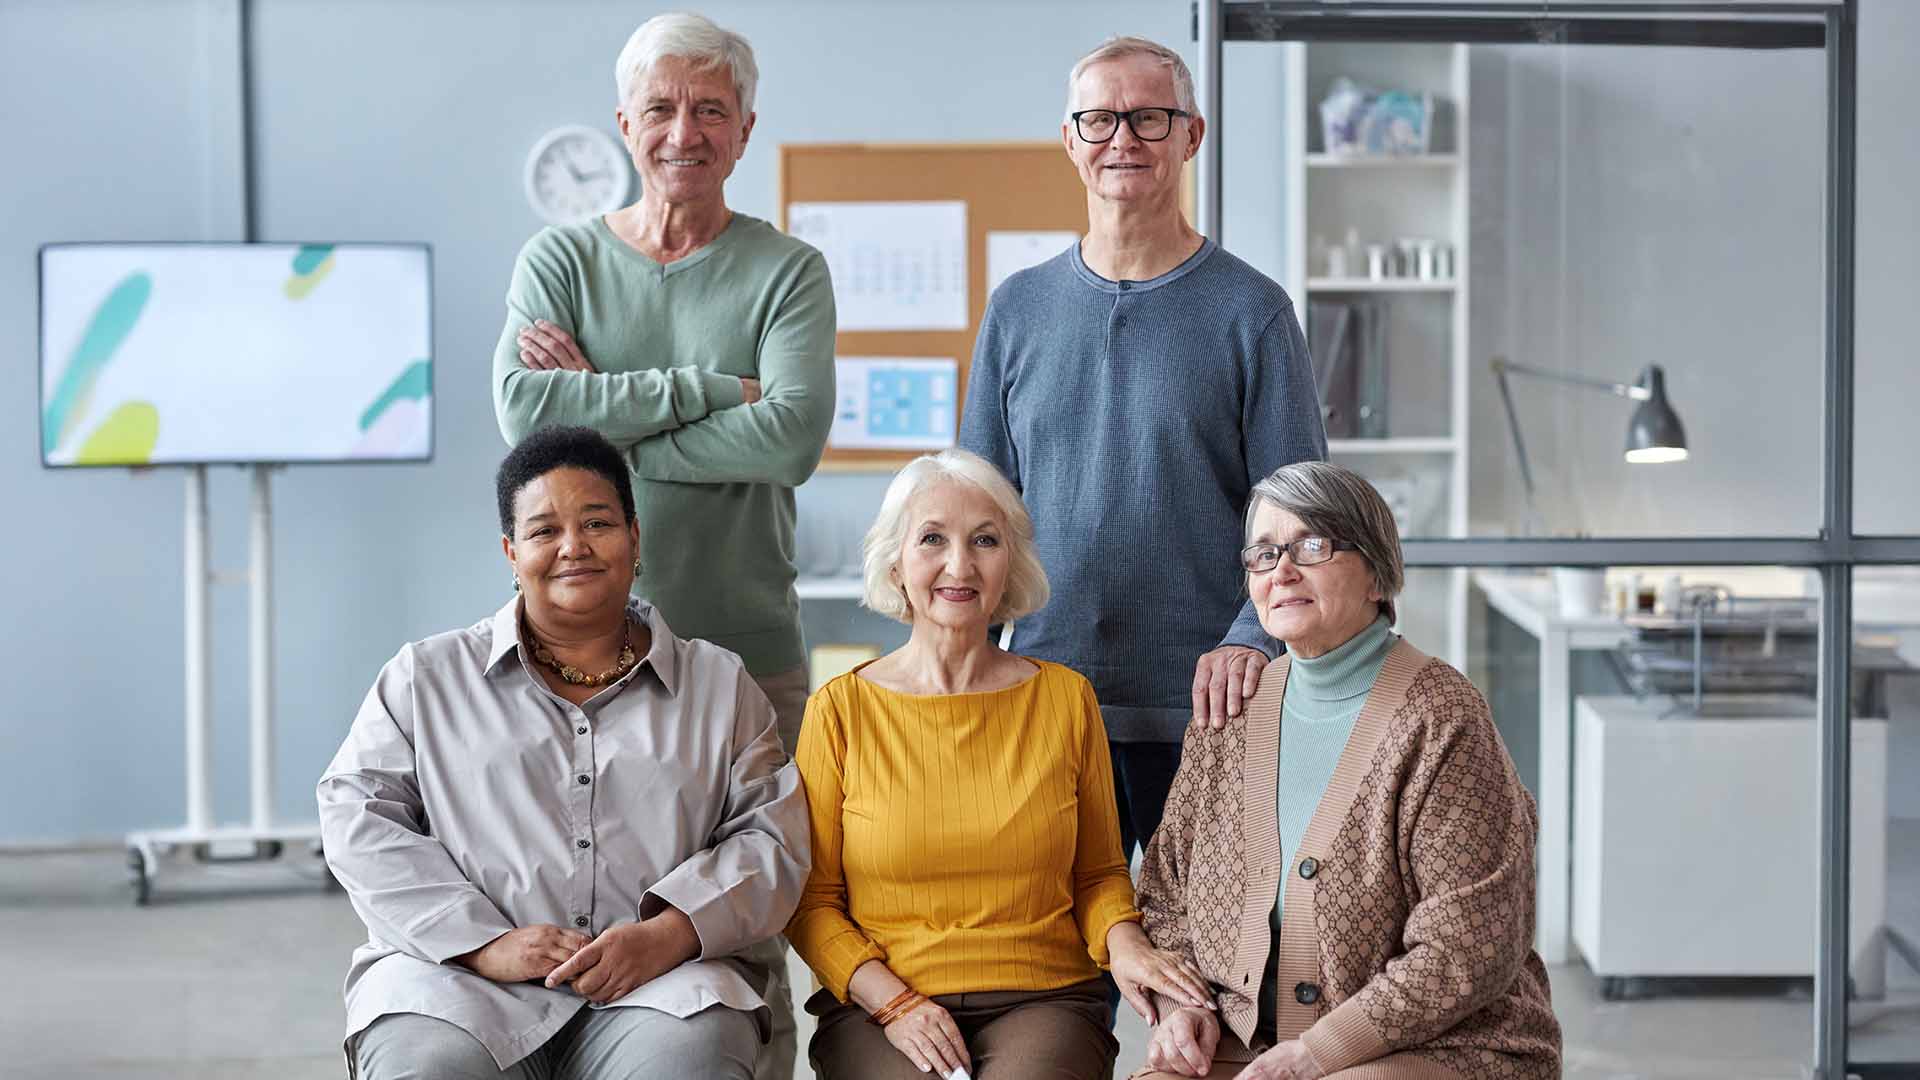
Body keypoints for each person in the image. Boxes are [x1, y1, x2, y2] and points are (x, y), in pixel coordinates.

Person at [490, 15, 834, 1074]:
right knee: (566, 908)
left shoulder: (788, 270)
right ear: (625, 125)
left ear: (745, 131)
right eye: (662, 108)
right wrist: (698, 392)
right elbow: (527, 426)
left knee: (746, 920)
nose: (685, 131)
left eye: (711, 110)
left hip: (741, 646)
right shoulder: (559, 257)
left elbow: (788, 439)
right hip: (570, 656)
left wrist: (602, 417)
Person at [318, 425, 809, 1080]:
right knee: (426, 1067)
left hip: (661, 984)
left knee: (687, 1062)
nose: (573, 547)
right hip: (457, 985)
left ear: (635, 538)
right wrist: (483, 944)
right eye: (545, 530)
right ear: (511, 551)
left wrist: (671, 934)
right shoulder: (424, 678)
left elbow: (772, 839)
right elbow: (358, 819)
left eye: (597, 523)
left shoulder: (718, 685)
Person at [958, 35, 1327, 872]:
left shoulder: (1253, 313)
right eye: (1099, 119)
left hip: (1210, 709)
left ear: (1191, 135)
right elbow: (975, 510)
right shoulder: (1018, 309)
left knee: (1210, 971)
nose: (1122, 138)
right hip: (1046, 702)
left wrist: (1249, 640)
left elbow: (1301, 520)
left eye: (1149, 118)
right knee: (1056, 970)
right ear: (1070, 140)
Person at [787, 449, 1214, 1080]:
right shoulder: (839, 710)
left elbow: (1098, 874)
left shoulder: (1066, 698)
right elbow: (812, 902)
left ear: (1009, 562)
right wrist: (896, 1003)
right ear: (896, 561)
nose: (959, 565)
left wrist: (1128, 948)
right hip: (882, 1007)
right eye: (932, 538)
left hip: (1044, 998)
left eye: (984, 540)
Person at [1132, 461, 1561, 1080]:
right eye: (1265, 552)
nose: (1282, 571)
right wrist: (1183, 1006)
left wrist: (1319, 1052)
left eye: (1313, 546)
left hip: (1434, 1044)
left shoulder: (1443, 719)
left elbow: (1470, 944)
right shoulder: (1231, 708)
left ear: (1377, 576)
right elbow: (1166, 892)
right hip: (1242, 1043)